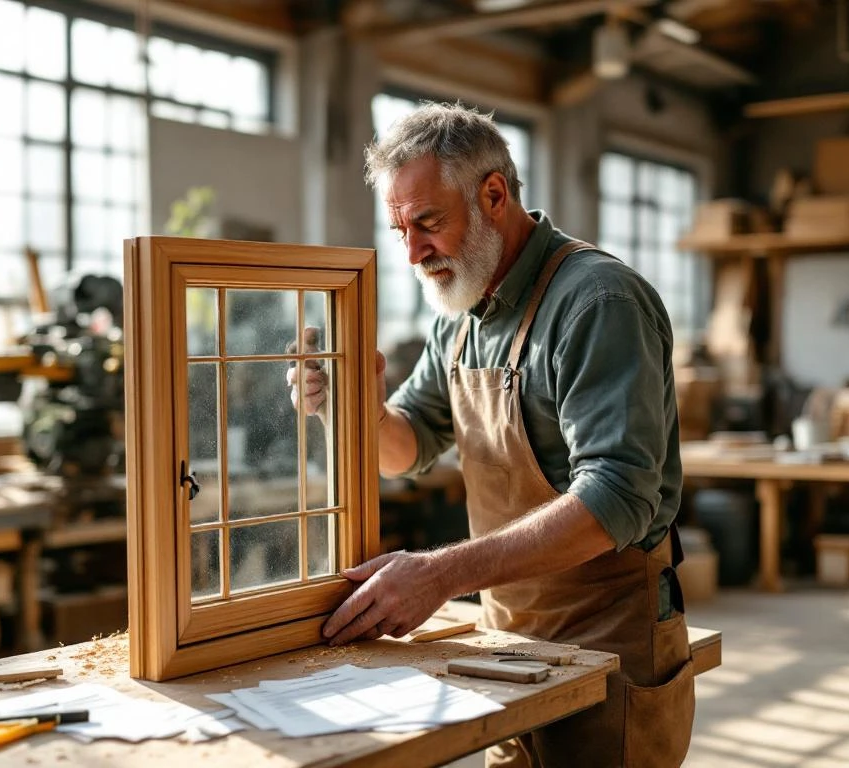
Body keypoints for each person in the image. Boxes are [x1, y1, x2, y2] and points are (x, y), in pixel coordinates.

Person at [289, 102, 694, 768]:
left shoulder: (597, 302)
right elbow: (410, 447)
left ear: (494, 195)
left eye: (428, 223)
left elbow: (617, 497)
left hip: (610, 638)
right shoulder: (462, 309)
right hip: (505, 641)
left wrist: (440, 574)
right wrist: (348, 404)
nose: (414, 253)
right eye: (400, 229)